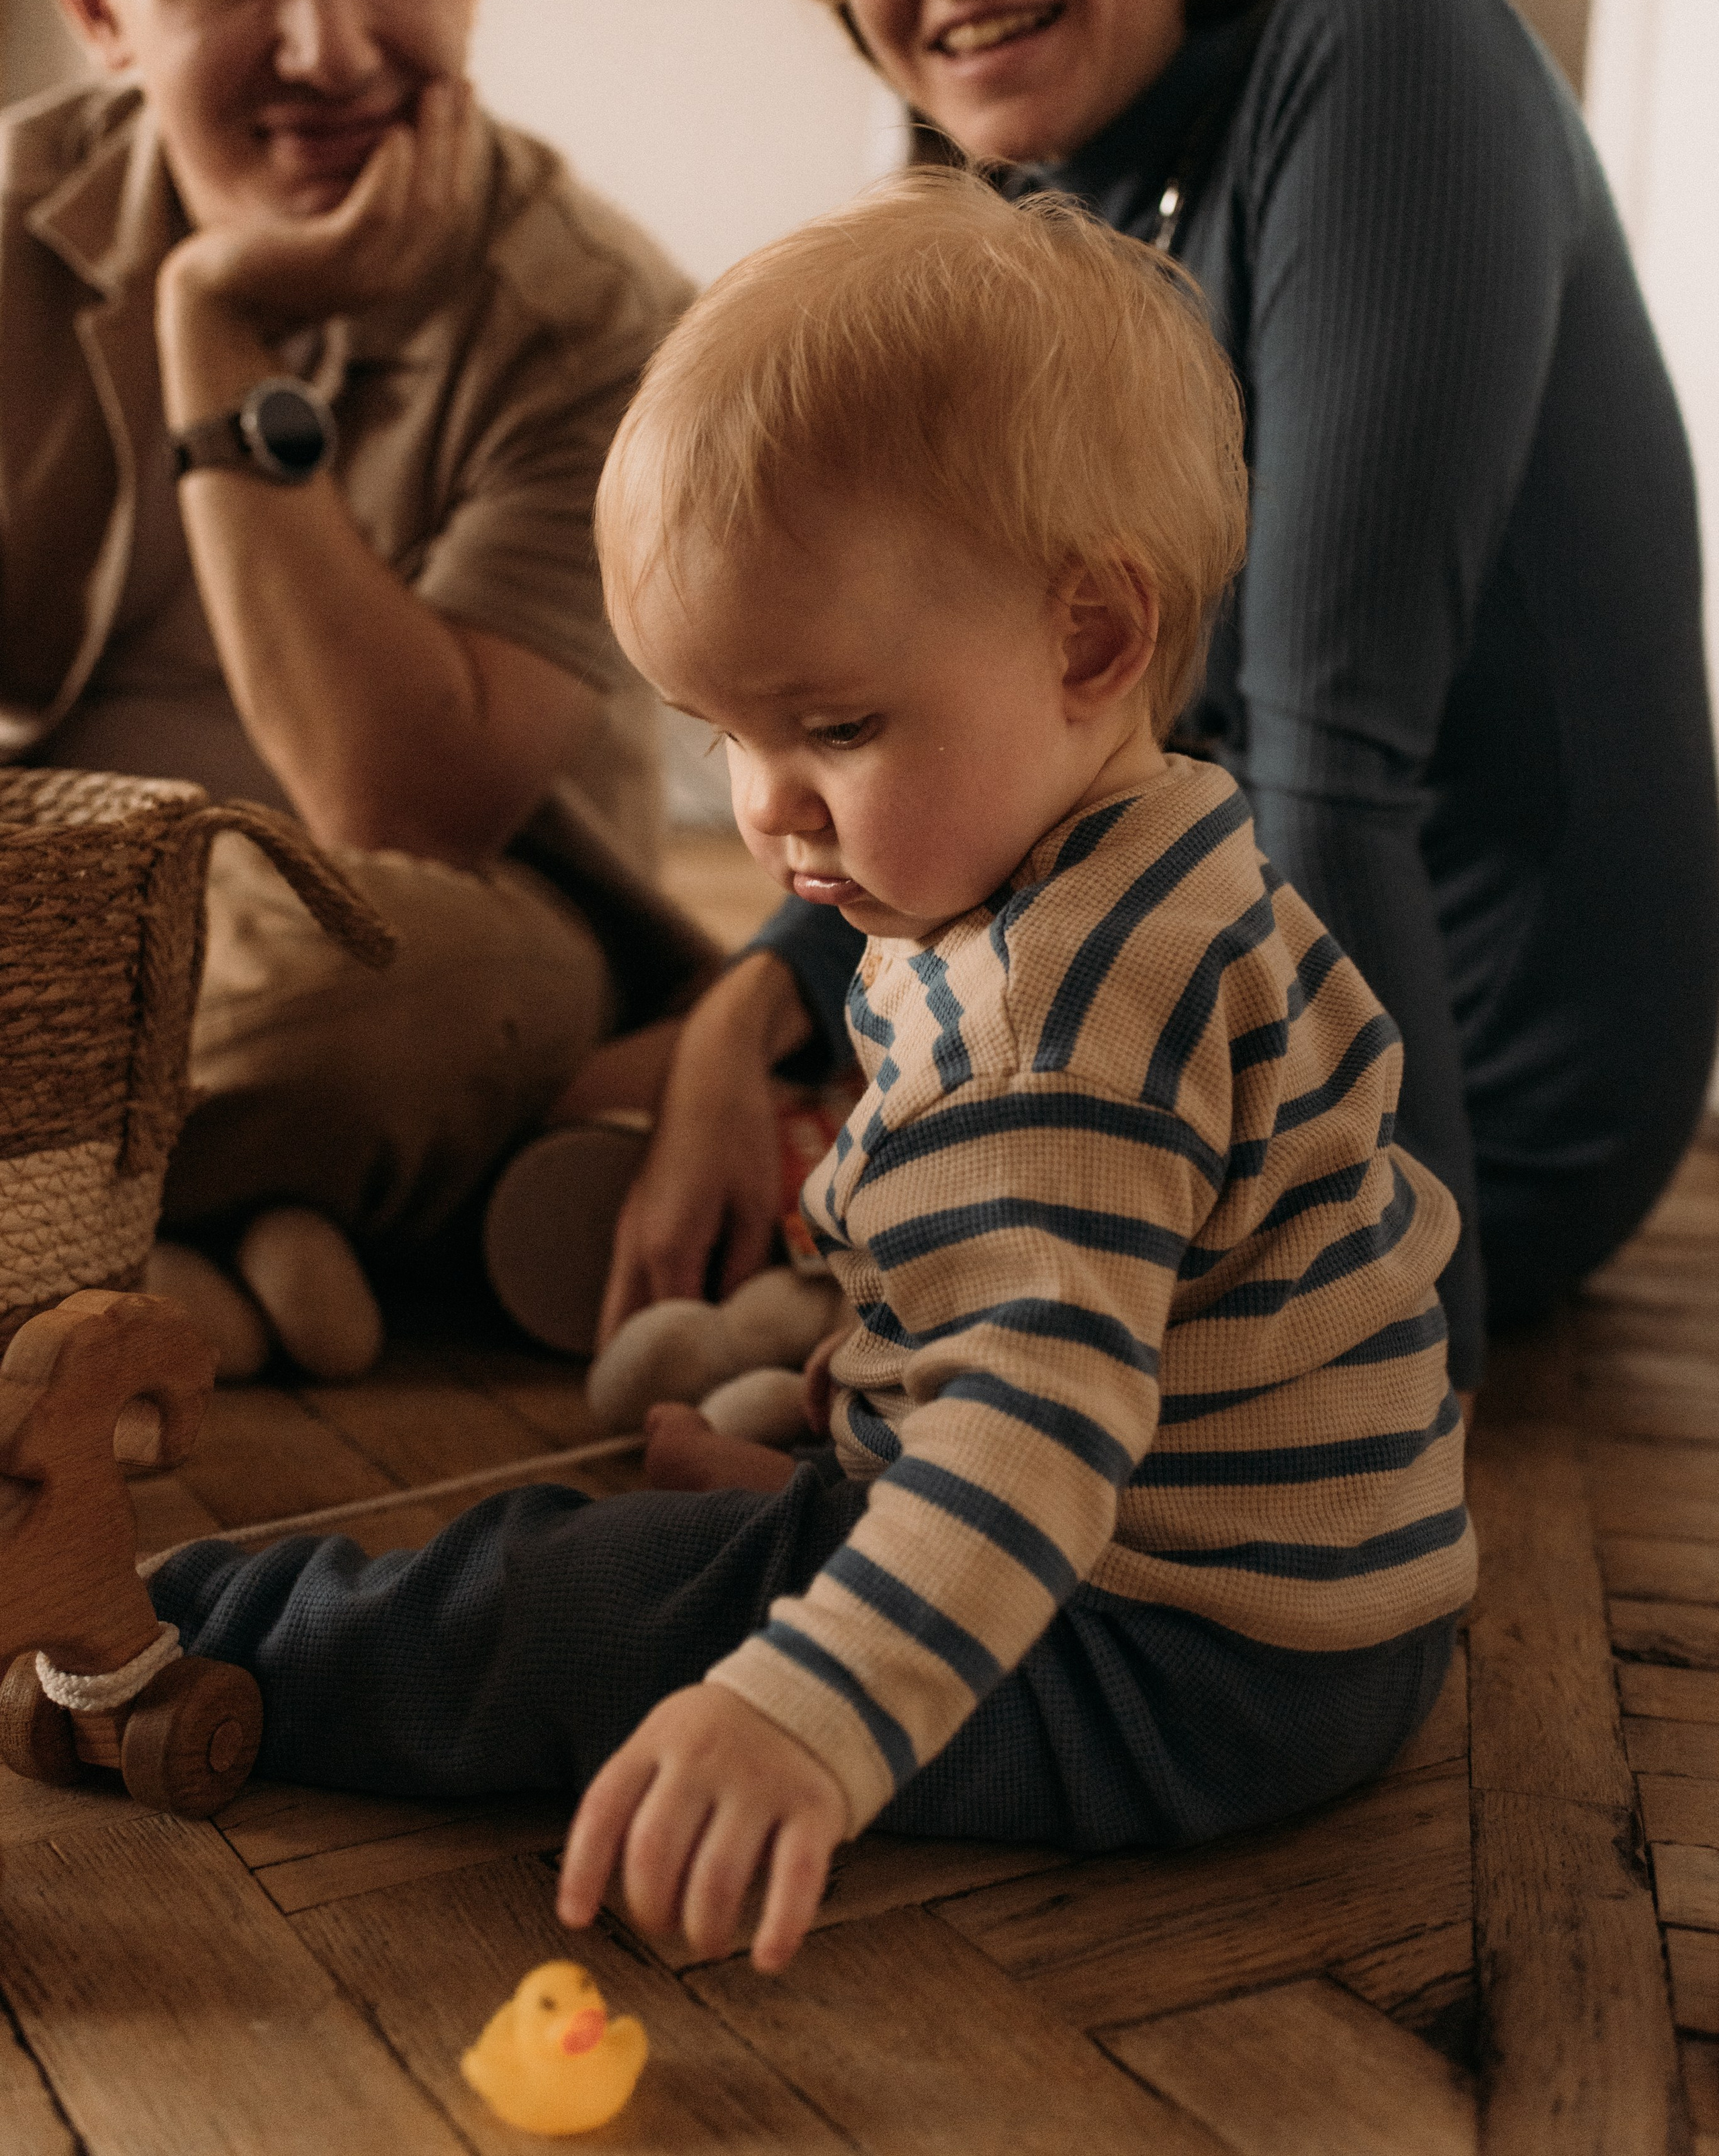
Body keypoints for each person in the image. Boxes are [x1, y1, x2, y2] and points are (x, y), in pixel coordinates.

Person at [152, 173, 1474, 1973]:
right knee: (805, 1396)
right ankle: (834, 1471)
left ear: (1093, 640)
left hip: (1172, 1661)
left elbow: (1040, 1428)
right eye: (723, 735)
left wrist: (806, 1707)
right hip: (1322, 1610)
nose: (765, 809)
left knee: (579, 1607)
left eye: (835, 728)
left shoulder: (1052, 1032)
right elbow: (1094, 1307)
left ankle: (197, 1631)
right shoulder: (1145, 847)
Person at [575, 0, 1719, 1397]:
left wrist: (1391, 1374)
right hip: (1206, 1018)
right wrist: (751, 1007)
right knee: (611, 1090)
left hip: (1457, 1117)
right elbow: (974, 707)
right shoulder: (1045, 224)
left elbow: (1320, 757)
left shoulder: (1388, 48)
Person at [4, 0, 708, 1375]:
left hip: (408, 934)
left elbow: (400, 801)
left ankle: (103, 1232)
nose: (328, 48)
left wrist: (220, 330)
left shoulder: (604, 316)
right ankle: (215, 1242)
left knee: (421, 1001)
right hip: (57, 927)